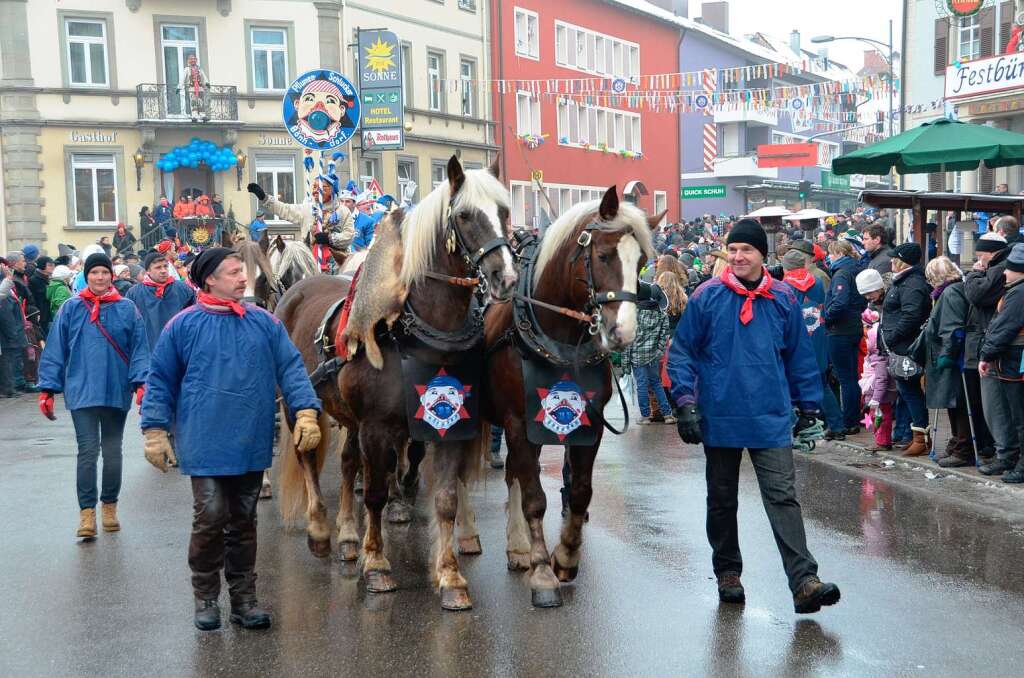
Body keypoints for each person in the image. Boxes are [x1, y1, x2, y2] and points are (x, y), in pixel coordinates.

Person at [140, 247, 321, 631]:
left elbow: (291, 367)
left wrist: (305, 410)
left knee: (243, 521)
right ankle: (205, 597)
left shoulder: (265, 323)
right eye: (234, 272)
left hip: (249, 439)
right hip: (203, 440)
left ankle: (244, 600)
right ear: (209, 279)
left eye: (243, 271)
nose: (243, 278)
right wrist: (154, 430)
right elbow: (160, 379)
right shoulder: (182, 326)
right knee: (209, 518)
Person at [667, 219, 840, 614]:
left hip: (771, 414)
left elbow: (799, 356)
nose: (739, 256)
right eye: (733, 250)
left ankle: (804, 582)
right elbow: (683, 353)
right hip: (720, 414)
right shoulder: (706, 296)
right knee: (722, 500)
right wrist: (684, 402)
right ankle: (728, 573)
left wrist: (808, 404)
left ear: (763, 254)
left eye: (747, 250)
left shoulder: (783, 299)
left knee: (783, 497)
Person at [36, 252, 149, 538]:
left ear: (112, 275)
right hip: (81, 390)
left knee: (112, 452)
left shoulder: (127, 309)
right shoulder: (71, 309)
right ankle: (86, 513)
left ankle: (109, 506)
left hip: (115, 389)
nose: (100, 277)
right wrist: (48, 389)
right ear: (87, 276)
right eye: (94, 273)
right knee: (87, 452)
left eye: (104, 272)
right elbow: (55, 350)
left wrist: (141, 383)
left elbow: (139, 350)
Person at [964, 232, 1019, 475]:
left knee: (1005, 411)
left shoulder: (1009, 281)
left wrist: (986, 354)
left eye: (980, 254)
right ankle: (1006, 455)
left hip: (1006, 356)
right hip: (1000, 352)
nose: (1005, 274)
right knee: (1000, 410)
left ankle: (1008, 457)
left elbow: (980, 297)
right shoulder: (1008, 279)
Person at [920, 256, 976, 467]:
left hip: (953, 357)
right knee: (953, 402)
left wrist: (947, 355)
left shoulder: (950, 293)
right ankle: (957, 442)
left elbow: (953, 328)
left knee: (957, 401)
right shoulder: (954, 290)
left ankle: (963, 448)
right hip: (954, 354)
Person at [781, 249, 842, 439]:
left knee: (795, 382)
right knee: (822, 383)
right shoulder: (815, 281)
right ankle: (836, 424)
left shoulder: (784, 287)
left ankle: (804, 424)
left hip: (798, 341)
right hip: (818, 335)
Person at [881, 243, 933, 457]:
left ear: (902, 261)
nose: (891, 261)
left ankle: (922, 437)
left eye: (895, 258)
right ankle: (915, 435)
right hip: (901, 344)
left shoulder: (911, 283)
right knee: (907, 391)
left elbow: (911, 315)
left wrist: (893, 337)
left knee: (910, 391)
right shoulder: (905, 281)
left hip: (907, 346)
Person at [979, 243, 1024, 483]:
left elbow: (1005, 327)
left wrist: (986, 355)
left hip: (1015, 360)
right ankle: (1012, 459)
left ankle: (1020, 465)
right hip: (1013, 359)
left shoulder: (1019, 292)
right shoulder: (1016, 289)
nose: (1005, 273)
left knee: (1020, 416)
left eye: (1009, 269)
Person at [822, 240, 866, 438]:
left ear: (839, 253)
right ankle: (853, 418)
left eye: (830, 253)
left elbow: (839, 302)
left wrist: (827, 317)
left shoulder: (841, 273)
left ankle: (849, 421)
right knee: (851, 376)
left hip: (839, 329)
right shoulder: (857, 269)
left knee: (845, 378)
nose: (829, 257)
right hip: (854, 326)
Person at [624, 281, 675, 425]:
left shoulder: (632, 314)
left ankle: (645, 416)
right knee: (656, 383)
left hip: (637, 356)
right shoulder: (661, 314)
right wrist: (658, 352)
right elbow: (664, 335)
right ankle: (668, 415)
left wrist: (625, 364)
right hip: (654, 355)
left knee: (641, 385)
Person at [126, 251, 196, 353]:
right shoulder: (134, 293)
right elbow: (129, 323)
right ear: (148, 271)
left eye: (165, 266)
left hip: (179, 347)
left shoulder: (183, 288)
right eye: (158, 267)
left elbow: (193, 317)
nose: (163, 271)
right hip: (148, 349)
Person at [858, 307, 896, 451]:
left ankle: (883, 442)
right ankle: (879, 440)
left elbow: (881, 380)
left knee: (882, 419)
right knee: (876, 418)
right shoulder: (872, 357)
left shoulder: (879, 360)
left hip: (879, 398)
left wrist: (876, 398)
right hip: (874, 396)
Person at [179, 53, 210, 122]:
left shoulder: (199, 69)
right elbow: (182, 78)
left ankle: (202, 115)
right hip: (192, 88)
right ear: (189, 61)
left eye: (194, 59)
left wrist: (207, 83)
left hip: (200, 88)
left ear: (196, 60)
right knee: (193, 102)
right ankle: (194, 115)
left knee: (201, 102)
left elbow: (203, 77)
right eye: (191, 59)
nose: (193, 61)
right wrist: (179, 86)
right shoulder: (187, 69)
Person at [29, 256, 54, 335]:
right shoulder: (34, 280)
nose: (53, 267)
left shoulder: (49, 279)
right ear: (42, 265)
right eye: (49, 265)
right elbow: (32, 299)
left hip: (49, 315)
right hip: (41, 316)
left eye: (53, 265)